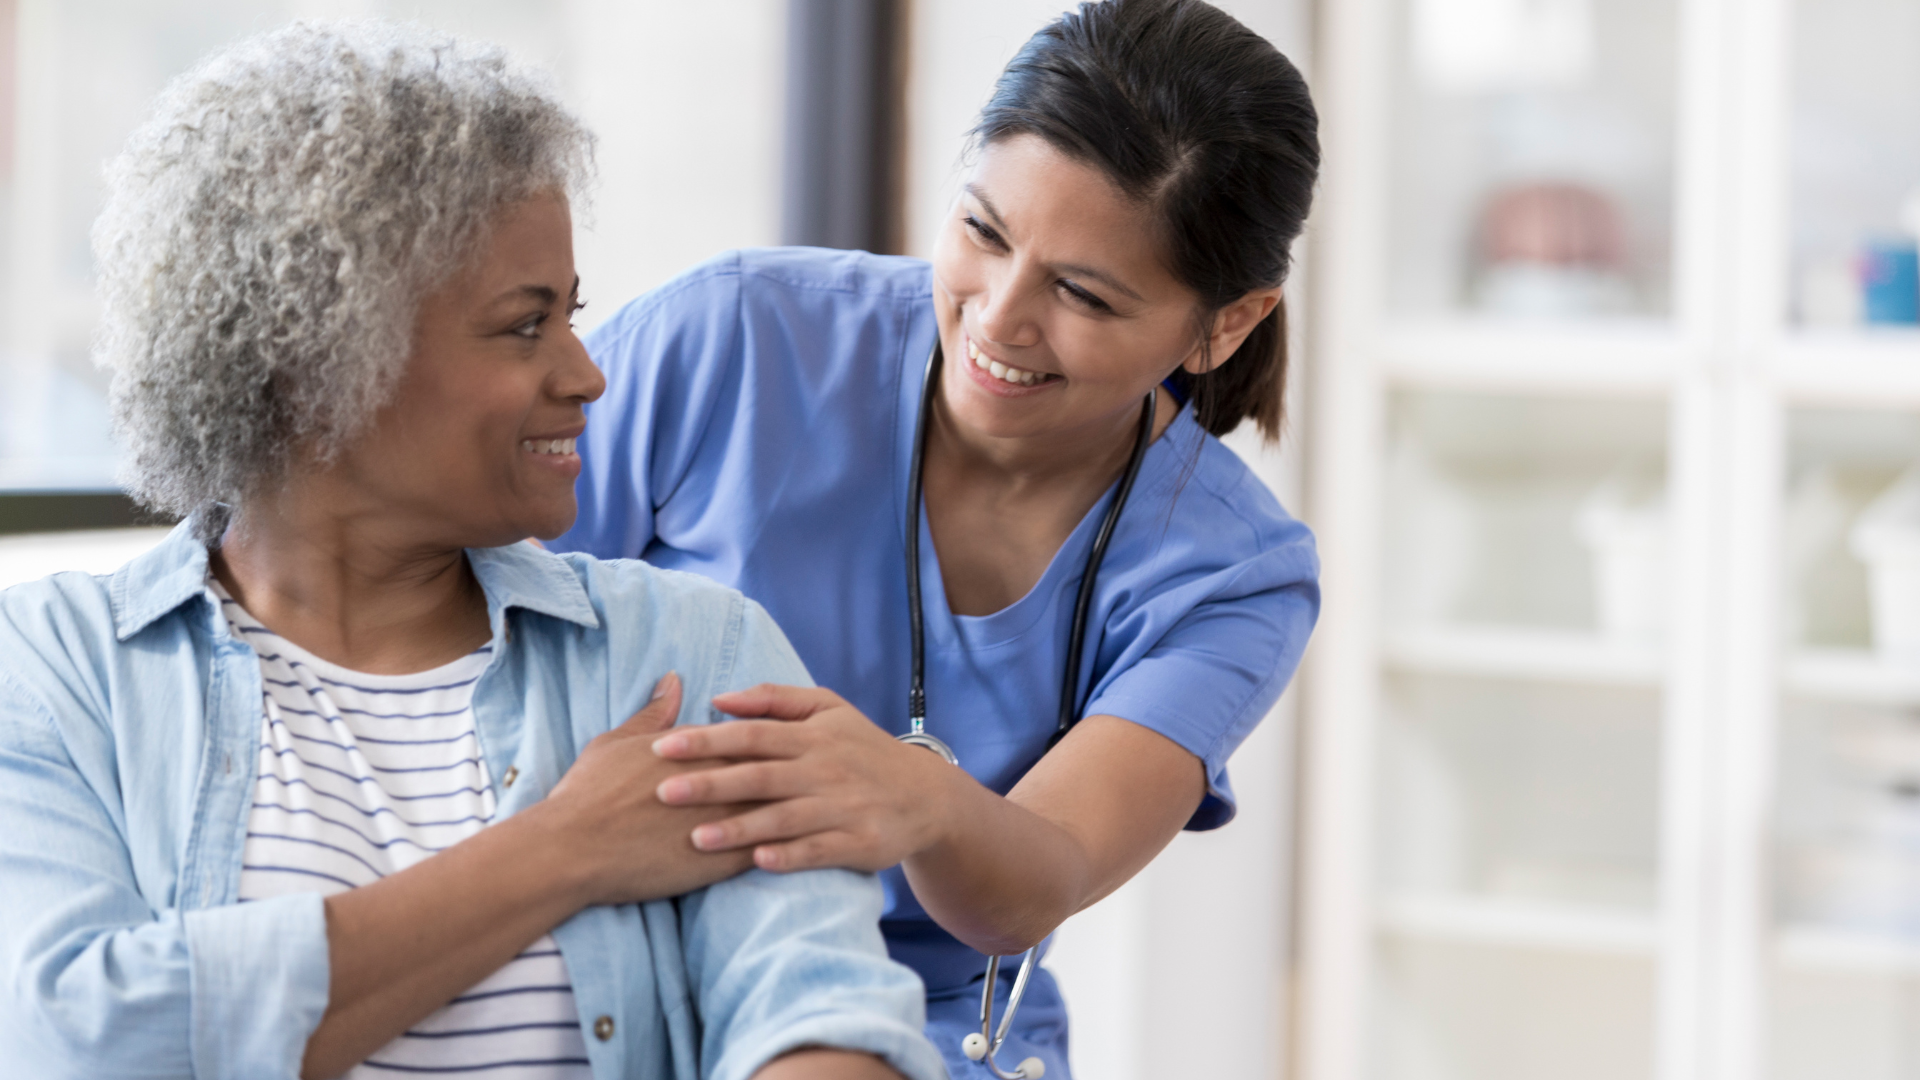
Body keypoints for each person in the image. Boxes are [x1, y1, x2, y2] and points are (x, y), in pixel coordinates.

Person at [0, 22, 945, 1080]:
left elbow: (822, 1018)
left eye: (572, 315)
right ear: (318, 365)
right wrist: (566, 848)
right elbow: (77, 1037)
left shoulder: (689, 652)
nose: (587, 374)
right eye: (524, 325)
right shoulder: (55, 671)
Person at [551, 0, 1323, 1074]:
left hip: (921, 1020)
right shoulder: (737, 337)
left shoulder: (1235, 575)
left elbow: (1032, 887)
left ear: (1227, 323)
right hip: (600, 943)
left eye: (1082, 294)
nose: (998, 317)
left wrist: (919, 801)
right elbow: (467, 614)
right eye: (983, 233)